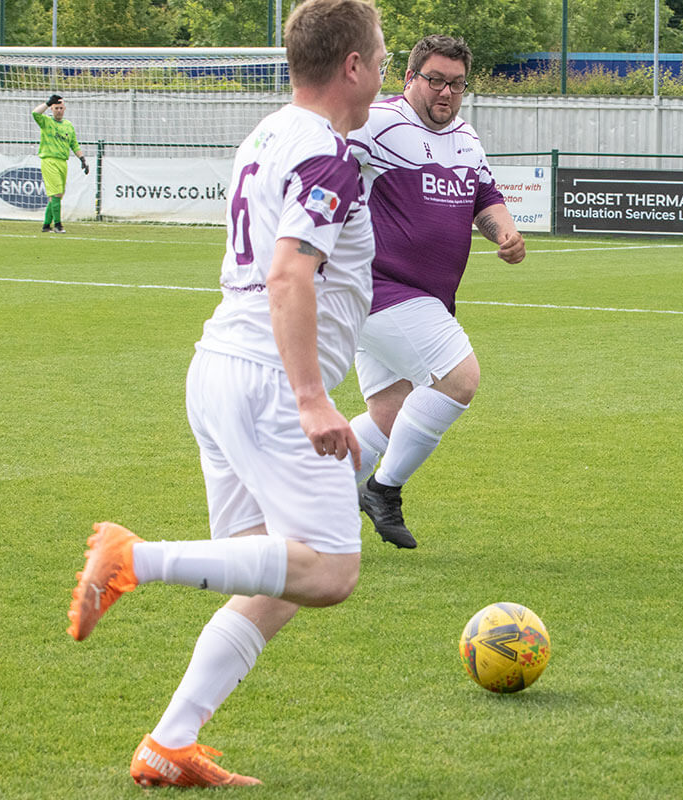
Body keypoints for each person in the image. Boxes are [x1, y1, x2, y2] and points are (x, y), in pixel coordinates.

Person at [65, 0, 387, 787]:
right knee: (332, 570)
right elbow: (288, 271)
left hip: (220, 366)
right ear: (352, 65)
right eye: (381, 55)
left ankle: (169, 744)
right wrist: (313, 397)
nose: (384, 68)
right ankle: (132, 557)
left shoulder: (270, 134)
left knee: (267, 577)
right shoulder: (325, 155)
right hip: (268, 378)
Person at [346, 35, 525, 549]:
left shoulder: (466, 138)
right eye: (436, 80)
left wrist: (505, 233)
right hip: (380, 285)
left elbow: (485, 196)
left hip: (425, 296)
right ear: (411, 79)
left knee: (390, 416)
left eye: (456, 84)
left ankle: (300, 495)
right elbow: (323, 153)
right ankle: (382, 490)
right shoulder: (378, 122)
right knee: (460, 378)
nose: (446, 92)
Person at [31, 94, 88, 233]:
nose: (59, 110)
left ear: (65, 108)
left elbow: (74, 144)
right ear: (51, 109)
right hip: (49, 161)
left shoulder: (68, 125)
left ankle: (46, 225)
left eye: (61, 108)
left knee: (58, 195)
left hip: (63, 162)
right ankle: (58, 225)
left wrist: (82, 159)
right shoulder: (46, 122)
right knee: (56, 194)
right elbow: (35, 113)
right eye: (56, 108)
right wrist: (46, 102)